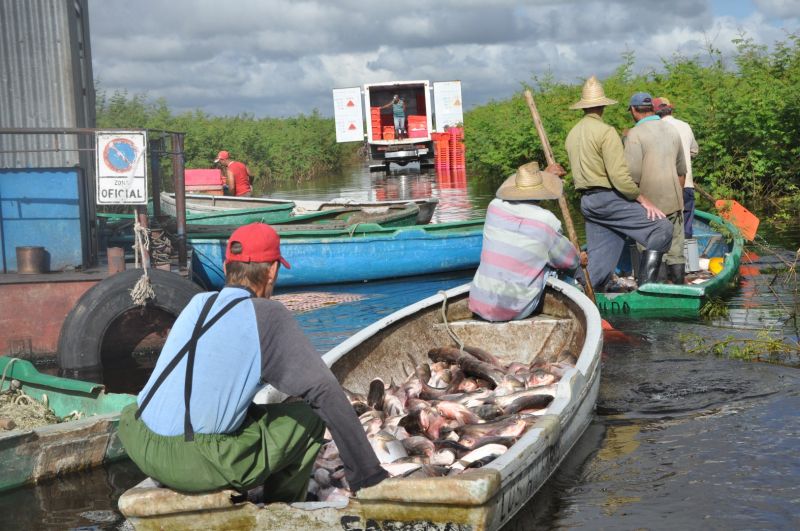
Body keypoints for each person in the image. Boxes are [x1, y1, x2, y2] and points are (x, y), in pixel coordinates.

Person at [118, 222, 387, 502]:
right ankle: (283, 506)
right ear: (272, 271)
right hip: (192, 460)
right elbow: (323, 391)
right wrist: (369, 476)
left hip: (140, 439)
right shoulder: (267, 315)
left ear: (225, 269)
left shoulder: (198, 303)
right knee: (309, 420)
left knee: (252, 412)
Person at [564, 76, 672, 291]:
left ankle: (583, 289)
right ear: (603, 105)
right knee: (662, 227)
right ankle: (646, 287)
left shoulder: (572, 134)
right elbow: (620, 178)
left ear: (584, 107)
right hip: (608, 198)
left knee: (598, 266)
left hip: (588, 202)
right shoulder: (606, 132)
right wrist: (643, 200)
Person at [469, 162, 580, 321]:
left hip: (479, 302)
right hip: (517, 309)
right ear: (541, 193)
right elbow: (571, 262)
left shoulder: (493, 207)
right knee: (557, 267)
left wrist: (544, 175)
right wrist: (578, 258)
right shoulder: (547, 221)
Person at [624, 92, 687, 284]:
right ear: (652, 108)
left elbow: (630, 177)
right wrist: (679, 199)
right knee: (675, 250)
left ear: (634, 111)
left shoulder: (635, 134)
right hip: (674, 201)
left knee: (652, 247)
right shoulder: (671, 130)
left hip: (649, 205)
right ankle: (678, 286)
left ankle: (655, 290)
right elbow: (681, 171)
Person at [654, 97, 699, 239]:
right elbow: (694, 151)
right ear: (671, 109)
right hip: (686, 184)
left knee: (665, 227)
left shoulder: (653, 129)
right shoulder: (685, 126)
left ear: (655, 112)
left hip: (663, 188)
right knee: (686, 227)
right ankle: (688, 255)